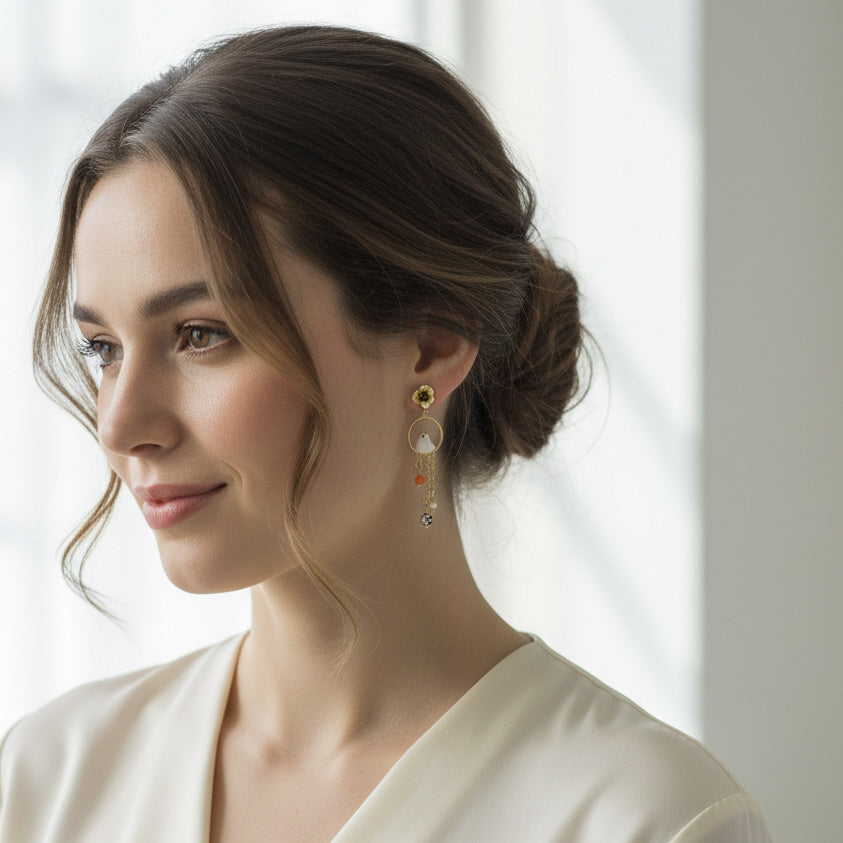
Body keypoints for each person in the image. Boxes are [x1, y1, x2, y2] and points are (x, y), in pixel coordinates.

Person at [0, 25, 769, 843]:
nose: (122, 425)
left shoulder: (645, 818)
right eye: (103, 349)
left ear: (431, 343)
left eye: (201, 334)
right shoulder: (47, 779)